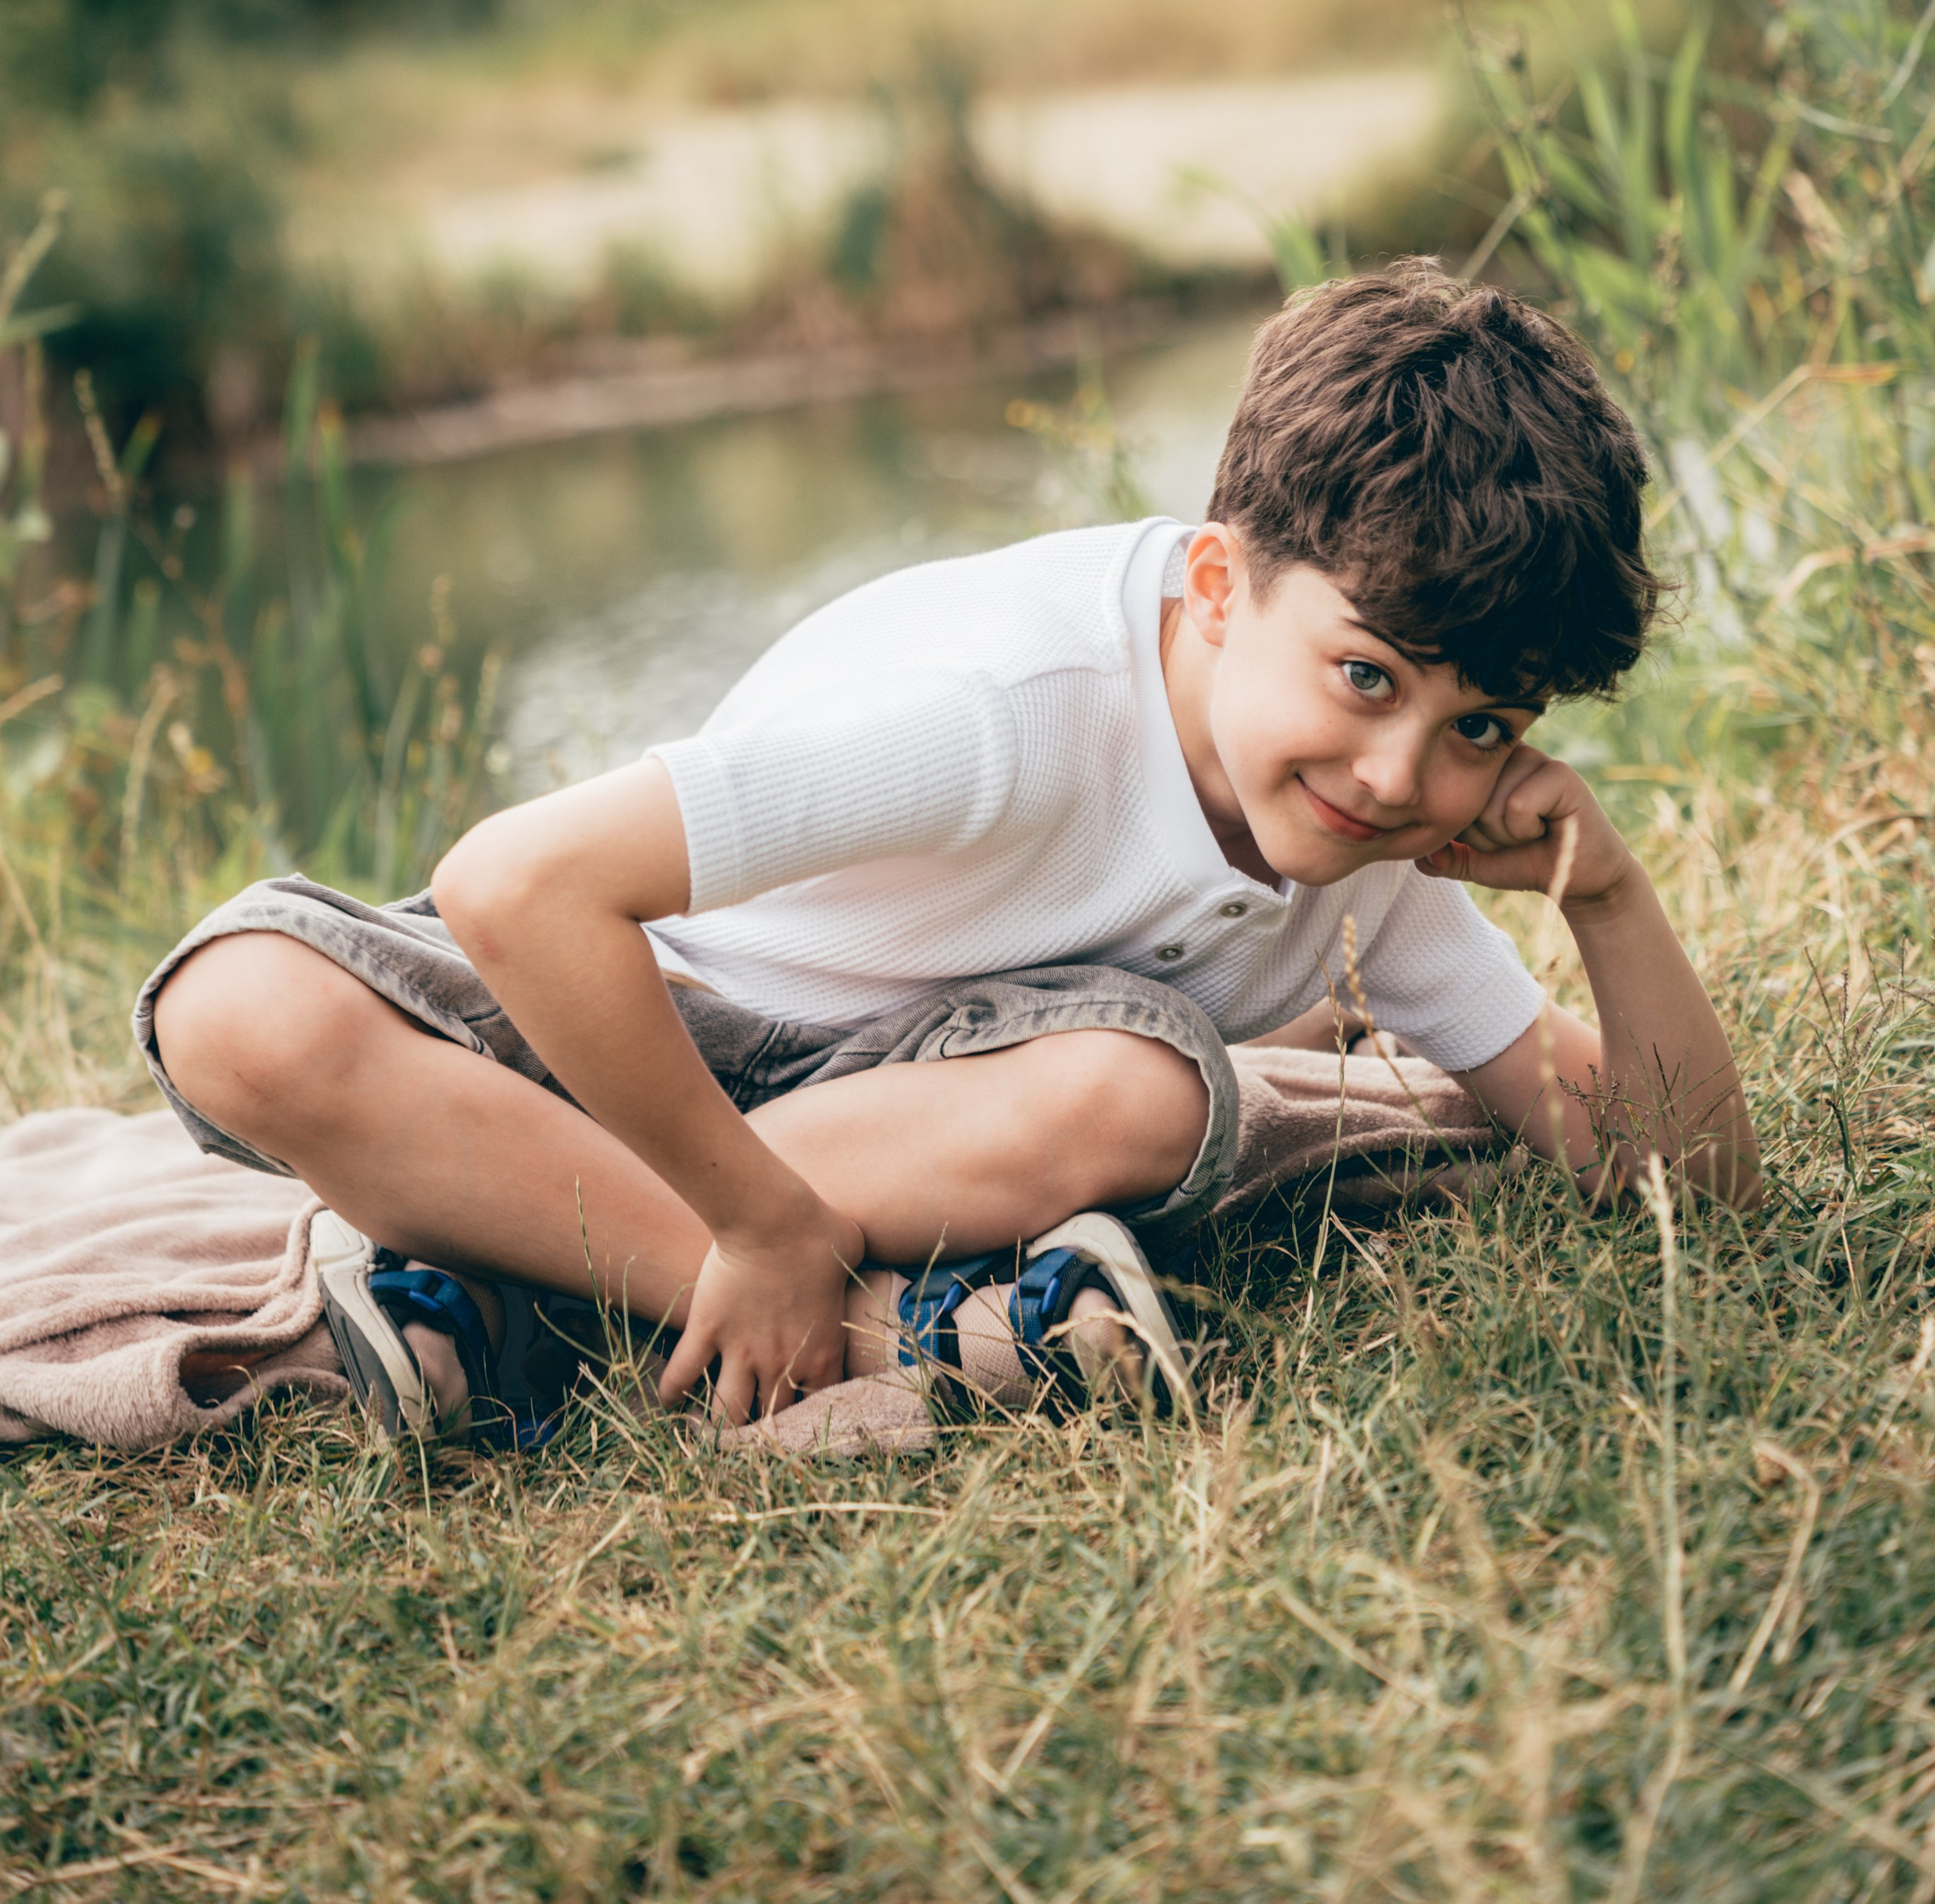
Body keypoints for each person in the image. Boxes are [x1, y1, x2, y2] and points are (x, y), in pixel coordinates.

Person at [136, 265, 1761, 1441]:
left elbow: (1688, 1192)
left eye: (1484, 723)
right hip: (643, 1033)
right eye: (1363, 677)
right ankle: (847, 1319)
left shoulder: (1362, 832)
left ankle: (504, 1279)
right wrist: (763, 1231)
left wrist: (1602, 897)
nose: (1402, 774)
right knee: (240, 1013)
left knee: (1141, 1089)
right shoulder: (1001, 707)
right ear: (1212, 588)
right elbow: (517, 887)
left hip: (924, 1106)